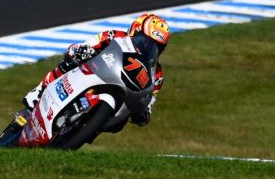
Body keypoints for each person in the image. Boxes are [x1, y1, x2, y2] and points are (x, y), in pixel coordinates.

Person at [22, 13, 170, 132]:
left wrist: (144, 112)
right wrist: (81, 51)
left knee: (119, 124)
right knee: (69, 62)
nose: (148, 47)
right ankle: (39, 93)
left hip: (119, 97)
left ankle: (84, 131)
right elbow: (86, 45)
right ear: (135, 30)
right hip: (93, 71)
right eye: (144, 40)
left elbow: (150, 101)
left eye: (156, 46)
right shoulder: (114, 36)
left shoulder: (156, 75)